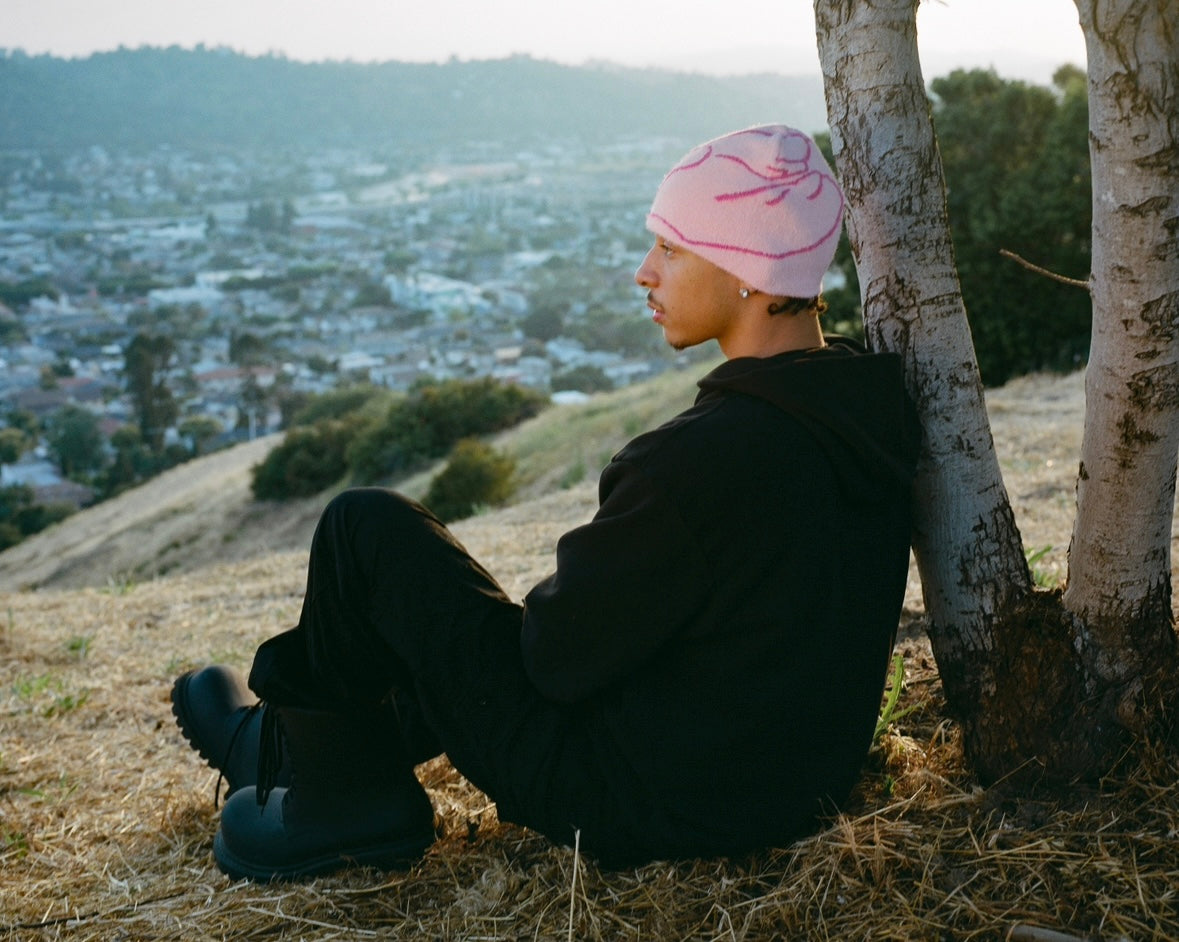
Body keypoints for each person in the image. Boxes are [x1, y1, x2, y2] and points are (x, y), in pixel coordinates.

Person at [171, 124, 920, 882]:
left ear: (746, 270)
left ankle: (338, 803)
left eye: (670, 248)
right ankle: (292, 748)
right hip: (781, 786)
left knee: (365, 528)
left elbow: (554, 661)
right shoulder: (863, 414)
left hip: (638, 797)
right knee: (454, 620)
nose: (642, 273)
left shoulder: (694, 463)